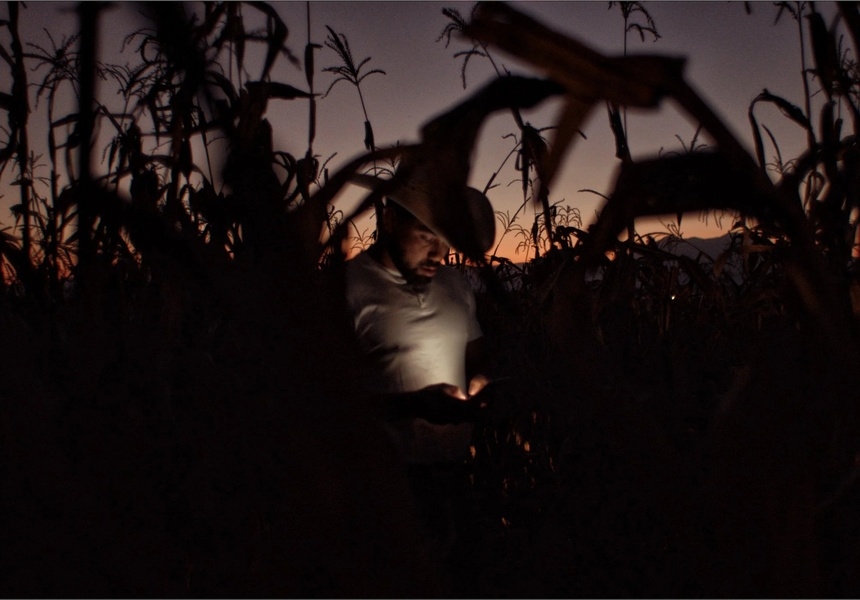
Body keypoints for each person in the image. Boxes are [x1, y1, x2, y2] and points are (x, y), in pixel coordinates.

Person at [343, 172, 496, 592]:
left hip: (456, 479)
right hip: (386, 490)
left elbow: (479, 355)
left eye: (446, 241)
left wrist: (484, 383)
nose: (439, 253)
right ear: (390, 221)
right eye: (427, 235)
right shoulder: (347, 290)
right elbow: (325, 402)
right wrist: (413, 405)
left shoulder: (453, 283)